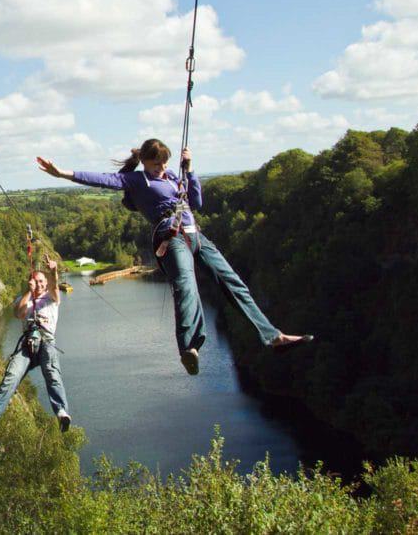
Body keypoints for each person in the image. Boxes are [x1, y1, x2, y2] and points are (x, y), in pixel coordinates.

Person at [36, 138, 312, 376]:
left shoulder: (173, 178)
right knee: (186, 284)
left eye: (165, 163)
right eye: (157, 164)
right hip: (171, 237)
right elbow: (100, 179)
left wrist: (189, 171)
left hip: (196, 236)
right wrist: (62, 173)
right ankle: (189, 346)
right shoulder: (135, 180)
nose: (162, 168)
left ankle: (273, 335)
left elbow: (197, 203)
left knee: (233, 283)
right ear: (144, 161)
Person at [0, 254, 71, 436]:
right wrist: (28, 293)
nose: (38, 284)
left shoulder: (52, 298)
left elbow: (55, 285)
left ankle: (61, 412)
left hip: (46, 341)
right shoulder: (24, 298)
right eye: (35, 281)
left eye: (41, 281)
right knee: (11, 376)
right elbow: (18, 314)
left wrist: (53, 270)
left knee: (52, 373)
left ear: (45, 284)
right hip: (27, 344)